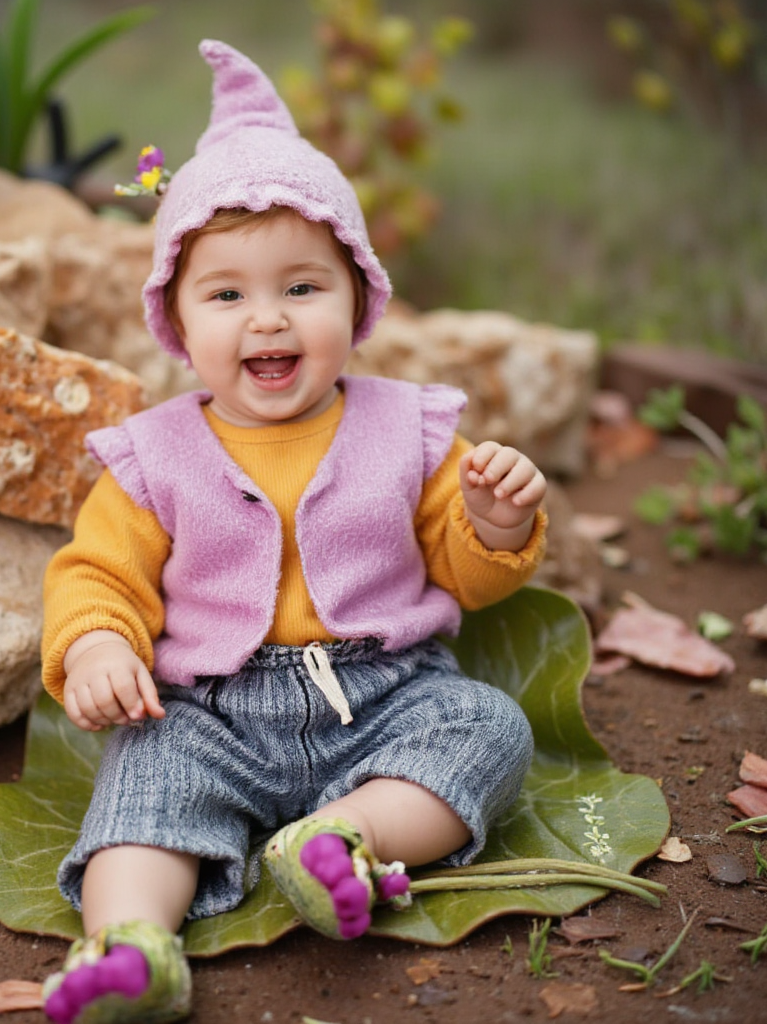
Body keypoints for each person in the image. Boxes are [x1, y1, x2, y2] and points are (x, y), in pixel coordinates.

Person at [40, 39, 547, 1024]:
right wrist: (99, 641)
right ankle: (131, 944)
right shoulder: (154, 456)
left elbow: (462, 566)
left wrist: (492, 520)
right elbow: (98, 571)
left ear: (358, 298)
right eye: (226, 293)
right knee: (144, 784)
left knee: (489, 726)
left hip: (385, 691)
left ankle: (344, 841)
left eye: (301, 288)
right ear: (177, 321)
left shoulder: (410, 428)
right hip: (209, 710)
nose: (265, 320)